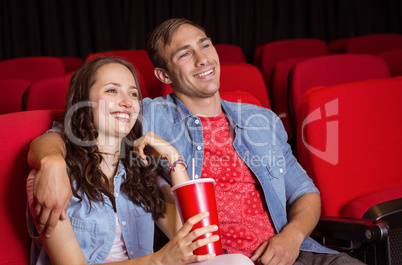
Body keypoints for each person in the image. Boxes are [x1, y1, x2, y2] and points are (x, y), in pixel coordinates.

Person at [28, 19, 365, 265]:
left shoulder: (261, 119)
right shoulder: (144, 114)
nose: (203, 59)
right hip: (218, 258)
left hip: (290, 252)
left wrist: (291, 238)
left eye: (205, 44)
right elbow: (69, 132)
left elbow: (305, 192)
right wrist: (51, 162)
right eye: (185, 54)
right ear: (163, 76)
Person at [26, 56, 252, 265]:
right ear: (84, 101)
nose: (126, 102)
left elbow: (193, 239)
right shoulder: (50, 178)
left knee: (238, 262)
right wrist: (160, 260)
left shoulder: (140, 171)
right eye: (112, 90)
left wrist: (174, 159)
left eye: (133, 94)